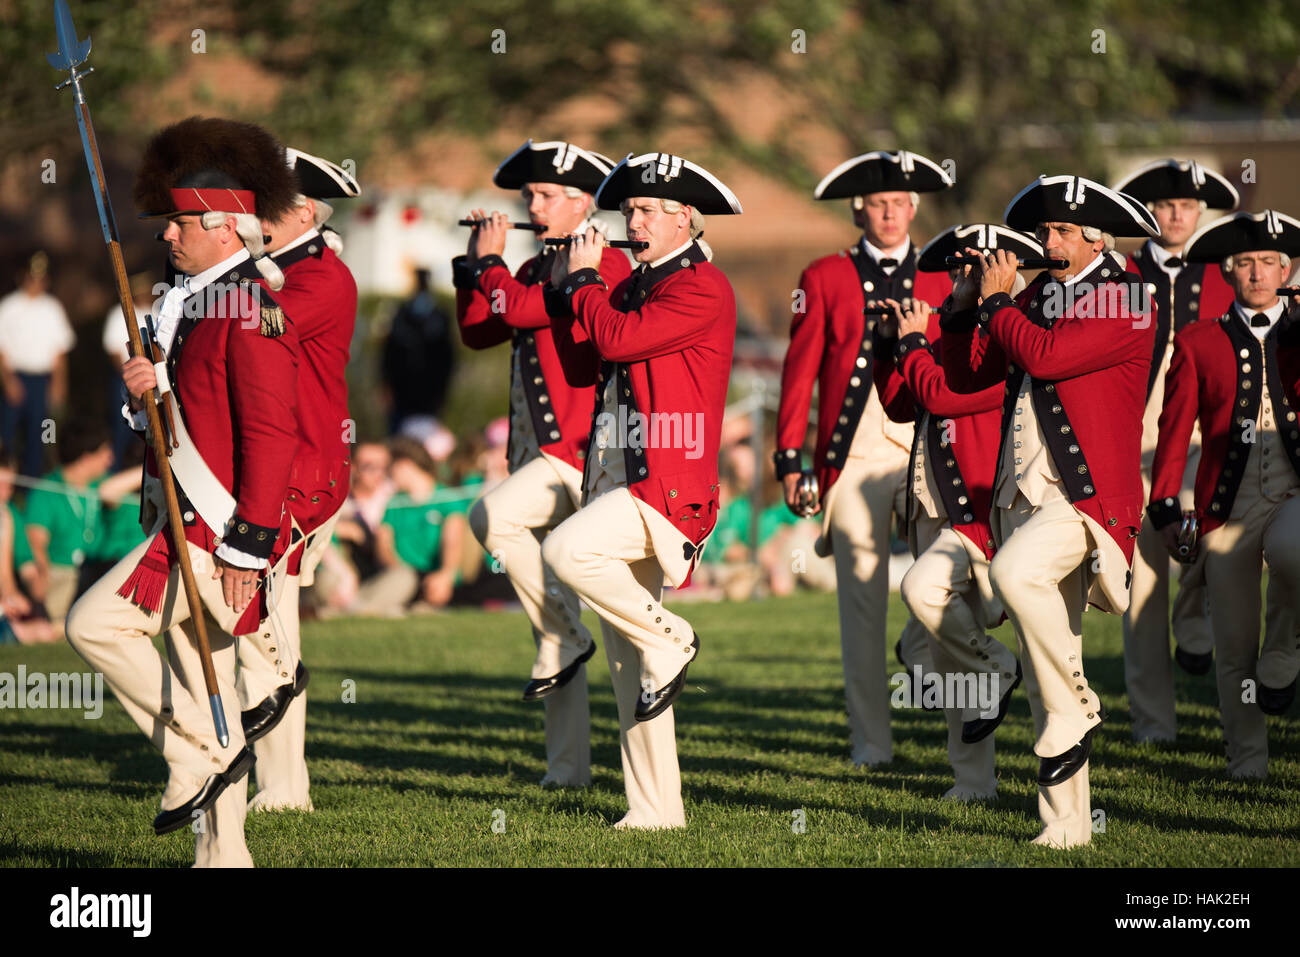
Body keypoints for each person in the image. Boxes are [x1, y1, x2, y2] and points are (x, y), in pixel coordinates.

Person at [63, 115, 301, 868]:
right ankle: (223, 854)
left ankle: (196, 756)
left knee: (92, 624)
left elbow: (270, 432)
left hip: (215, 533)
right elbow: (178, 419)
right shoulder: (192, 300)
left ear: (228, 229)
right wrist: (147, 389)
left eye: (184, 222)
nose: (169, 235)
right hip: (183, 517)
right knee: (210, 686)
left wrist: (251, 544)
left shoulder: (249, 302)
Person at [943, 174, 1158, 847]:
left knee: (1012, 573)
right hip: (1023, 492)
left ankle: (1083, 705)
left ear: (1099, 237)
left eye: (1062, 231)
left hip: (1086, 498)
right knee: (1044, 663)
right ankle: (1066, 825)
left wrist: (1001, 301)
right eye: (1044, 231)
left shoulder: (1129, 295)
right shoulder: (1034, 294)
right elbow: (965, 376)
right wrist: (962, 303)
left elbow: (1047, 354)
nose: (1046, 241)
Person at [543, 151, 741, 828]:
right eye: (629, 209)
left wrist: (588, 281)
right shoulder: (630, 286)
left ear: (686, 218)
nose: (635, 219)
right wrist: (560, 284)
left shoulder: (701, 285)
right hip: (617, 475)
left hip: (666, 485)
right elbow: (580, 362)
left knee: (566, 553)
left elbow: (622, 341)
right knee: (631, 663)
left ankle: (675, 635)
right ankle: (656, 807)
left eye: (650, 209)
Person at [454, 139, 630, 787]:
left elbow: (523, 310)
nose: (533, 204)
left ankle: (644, 776)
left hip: (583, 454)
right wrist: (476, 266)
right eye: (529, 195)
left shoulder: (601, 263)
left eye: (547, 195)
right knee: (554, 636)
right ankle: (567, 771)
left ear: (583, 201)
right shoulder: (531, 267)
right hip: (538, 452)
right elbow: (479, 329)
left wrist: (493, 264)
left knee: (493, 517)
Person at [775, 149, 953, 768]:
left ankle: (921, 647)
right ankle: (872, 745)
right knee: (859, 605)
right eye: (879, 203)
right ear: (858, 208)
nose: (891, 214)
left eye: (901, 203)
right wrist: (791, 458)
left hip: (924, 448)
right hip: (850, 455)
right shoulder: (822, 275)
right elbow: (799, 372)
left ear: (915, 208)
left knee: (956, 572)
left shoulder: (941, 276)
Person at [878, 223, 1044, 800]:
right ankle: (973, 781)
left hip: (985, 507)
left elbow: (943, 395)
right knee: (949, 660)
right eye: (956, 266)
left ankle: (1061, 773)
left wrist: (914, 344)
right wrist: (888, 343)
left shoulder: (1012, 328)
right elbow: (902, 405)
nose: (963, 276)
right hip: (934, 503)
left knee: (1025, 643)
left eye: (977, 265)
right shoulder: (949, 323)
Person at [1151, 210, 1300, 778]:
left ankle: (1285, 647)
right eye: (1246, 264)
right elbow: (1173, 431)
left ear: (1286, 270)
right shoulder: (1196, 342)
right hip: (1226, 509)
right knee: (1235, 646)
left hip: (1293, 495)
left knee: (1295, 553)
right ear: (1227, 272)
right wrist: (1165, 505)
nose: (1258, 274)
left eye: (1269, 263)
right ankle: (1248, 761)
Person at [234, 146, 360, 812]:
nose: (254, 214)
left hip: (304, 467)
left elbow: (267, 324)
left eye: (269, 203)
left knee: (263, 614)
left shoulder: (322, 275)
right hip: (275, 464)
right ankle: (279, 784)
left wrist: (239, 268)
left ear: (306, 211)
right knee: (265, 614)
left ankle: (283, 785)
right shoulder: (273, 270)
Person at [1111, 159, 1239, 741]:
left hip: (1199, 437)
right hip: (1127, 437)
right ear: (1148, 213)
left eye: (1188, 206)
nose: (1177, 215)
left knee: (1203, 533)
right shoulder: (1116, 275)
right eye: (1164, 206)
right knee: (1140, 586)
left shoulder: (1225, 273)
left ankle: (1194, 618)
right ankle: (1153, 723)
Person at [348, 437, 468, 616]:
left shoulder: (446, 499)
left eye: (391, 467)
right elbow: (384, 545)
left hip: (433, 580)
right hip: (400, 575)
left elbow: (453, 541)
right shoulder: (395, 502)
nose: (387, 474)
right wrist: (399, 570)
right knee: (402, 580)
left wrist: (446, 574)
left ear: (406, 464)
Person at [24, 418, 115, 622]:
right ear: (86, 457)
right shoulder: (46, 490)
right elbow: (36, 540)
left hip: (98, 570)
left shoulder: (104, 484)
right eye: (105, 452)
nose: (110, 459)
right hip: (60, 574)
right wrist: (41, 577)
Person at [0, 253, 75, 477]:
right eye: (32, 277)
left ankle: (33, 484)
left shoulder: (53, 308)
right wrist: (8, 381)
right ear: (22, 277)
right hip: (16, 377)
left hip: (42, 380)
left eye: (41, 278)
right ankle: (7, 482)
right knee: (8, 433)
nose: (36, 283)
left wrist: (59, 385)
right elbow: (2, 349)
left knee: (42, 434)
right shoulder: (8, 306)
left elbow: (60, 352)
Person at [383, 267, 455, 432]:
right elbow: (389, 354)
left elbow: (446, 357)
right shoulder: (402, 314)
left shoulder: (439, 316)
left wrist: (442, 390)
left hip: (429, 391)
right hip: (402, 390)